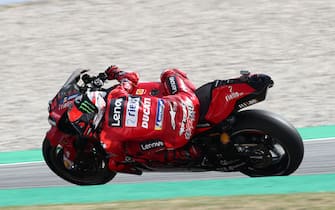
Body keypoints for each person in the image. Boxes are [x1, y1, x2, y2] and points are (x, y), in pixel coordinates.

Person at [68, 65, 201, 174]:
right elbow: (131, 77)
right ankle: (202, 100)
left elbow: (119, 160)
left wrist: (115, 165)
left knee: (133, 154)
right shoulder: (116, 95)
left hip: (179, 136)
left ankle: (186, 153)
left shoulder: (107, 138)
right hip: (188, 102)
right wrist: (115, 73)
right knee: (169, 72)